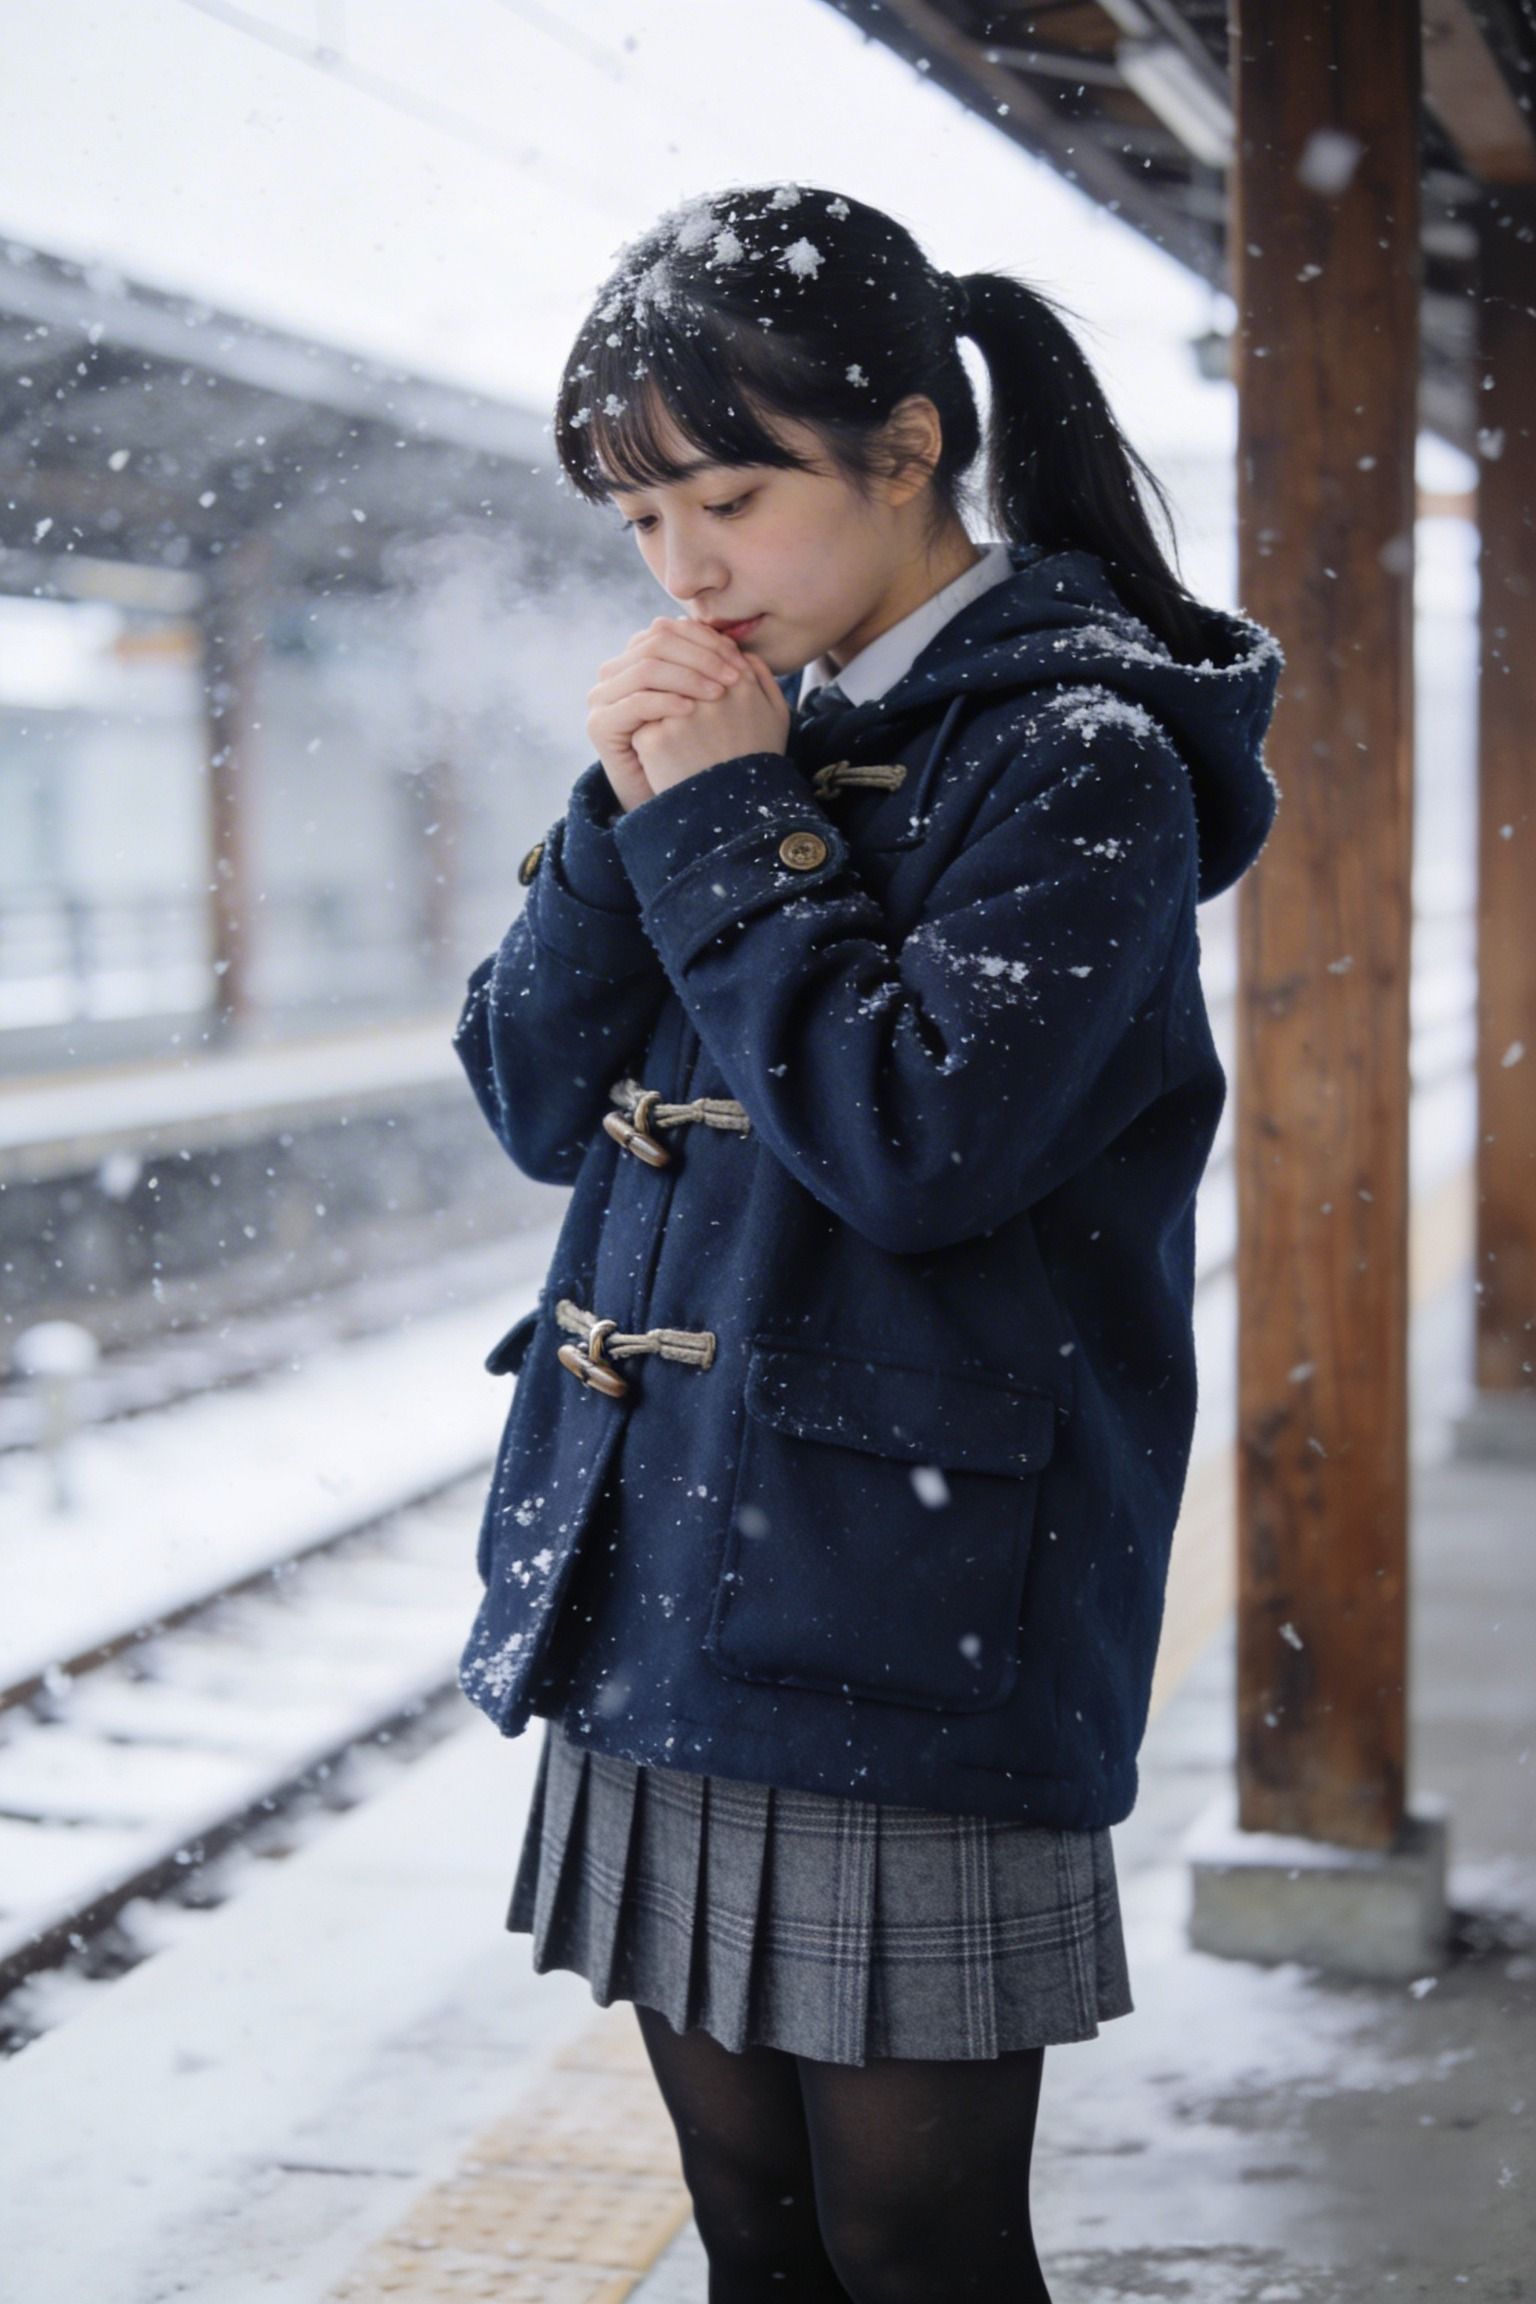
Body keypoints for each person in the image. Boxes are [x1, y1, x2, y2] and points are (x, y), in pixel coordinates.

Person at [452, 182, 1283, 2302]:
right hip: (668, 1581)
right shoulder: (753, 728)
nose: (687, 567)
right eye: (643, 528)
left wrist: (723, 815)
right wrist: (617, 811)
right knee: (752, 2229)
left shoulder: (1080, 758)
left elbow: (911, 1143)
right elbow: (538, 1100)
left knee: (917, 2240)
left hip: (906, 1616)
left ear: (910, 447)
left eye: (729, 496)